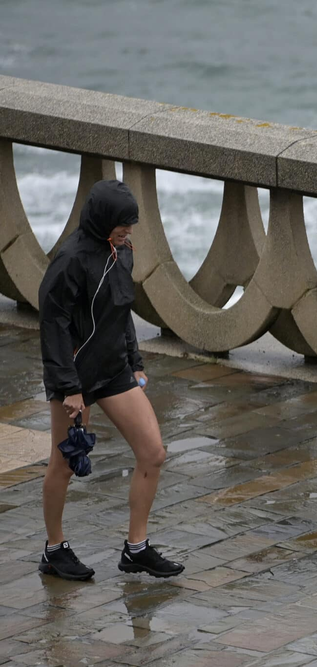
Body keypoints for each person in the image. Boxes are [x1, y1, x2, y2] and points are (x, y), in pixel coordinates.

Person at [38, 179, 183, 581]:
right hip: (75, 377)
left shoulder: (122, 251)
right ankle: (54, 550)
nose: (129, 231)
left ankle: (136, 548)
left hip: (114, 369)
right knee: (64, 465)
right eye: (122, 224)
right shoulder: (70, 260)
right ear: (103, 220)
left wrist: (134, 362)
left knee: (153, 452)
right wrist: (69, 387)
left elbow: (121, 308)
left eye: (131, 224)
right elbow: (53, 325)